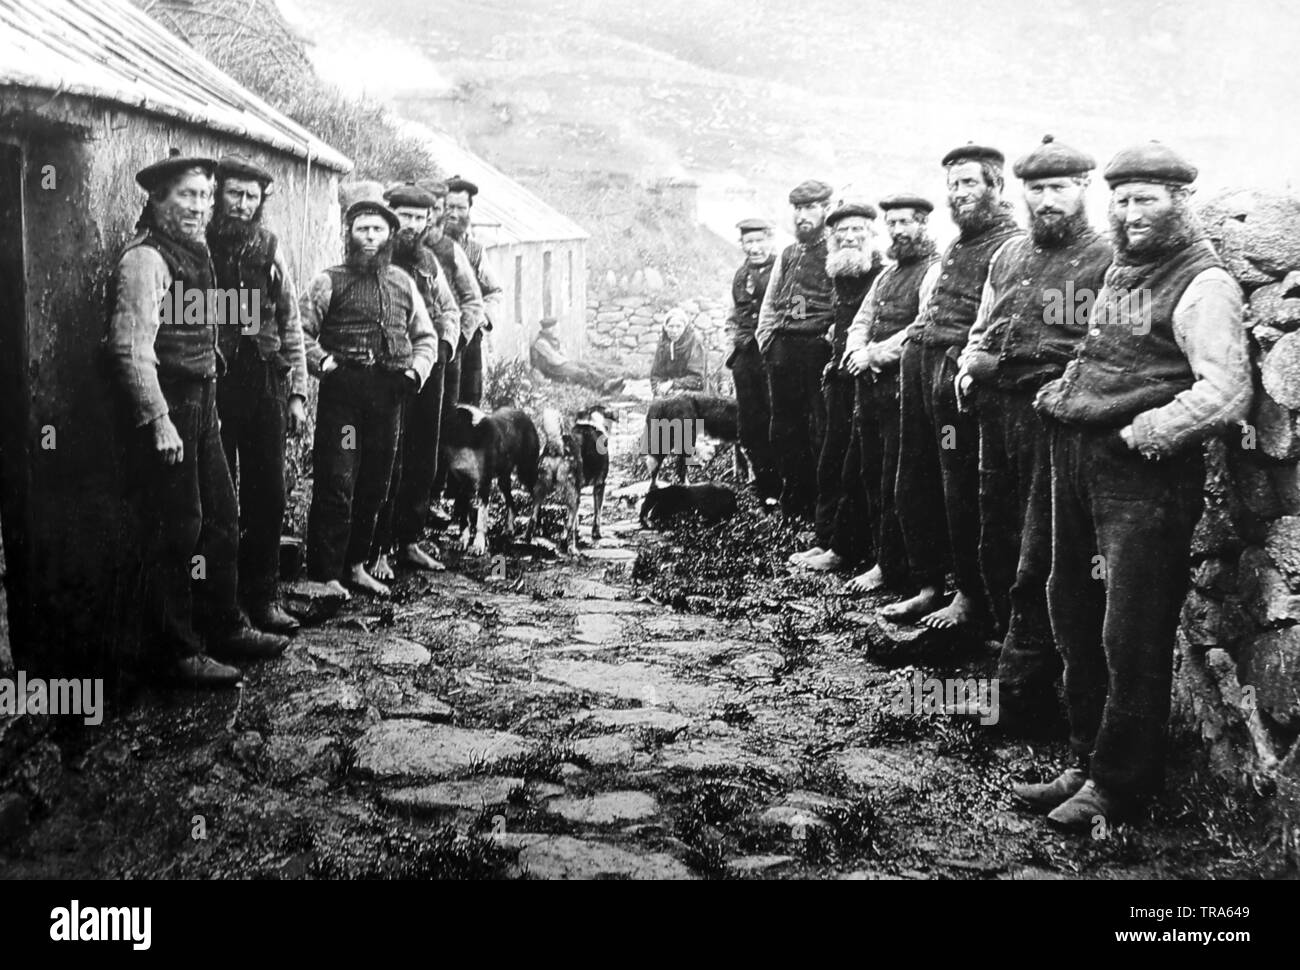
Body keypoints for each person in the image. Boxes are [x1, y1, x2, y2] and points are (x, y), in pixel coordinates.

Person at [1021, 143, 1251, 830]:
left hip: (1142, 481)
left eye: (1145, 198)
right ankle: (1085, 757)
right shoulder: (1125, 270)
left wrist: (1145, 433)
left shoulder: (1203, 283)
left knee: (1132, 633)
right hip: (1080, 464)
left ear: (1180, 203)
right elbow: (1103, 354)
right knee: (1074, 609)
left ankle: (1120, 786)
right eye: (1120, 200)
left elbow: (1226, 390)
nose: (1129, 212)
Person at [103, 150, 291, 687]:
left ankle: (224, 624)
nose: (199, 207)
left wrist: (218, 361)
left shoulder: (196, 252)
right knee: (176, 528)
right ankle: (177, 649)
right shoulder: (145, 260)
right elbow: (129, 349)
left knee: (223, 517)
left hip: (202, 400)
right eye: (187, 195)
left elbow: (199, 324)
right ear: (157, 199)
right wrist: (159, 420)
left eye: (206, 196)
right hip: (171, 405)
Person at [953, 136, 1113, 731]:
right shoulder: (1011, 256)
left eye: (1059, 189)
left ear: (1084, 191)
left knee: (1041, 557)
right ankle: (1010, 666)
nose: (1047, 201)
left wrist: (1027, 374)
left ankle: (1026, 697)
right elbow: (982, 325)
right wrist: (973, 364)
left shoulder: (1107, 261)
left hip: (1056, 420)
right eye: (1037, 190)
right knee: (997, 536)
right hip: (999, 418)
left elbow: (1101, 349)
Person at [883, 145, 1022, 629]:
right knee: (914, 476)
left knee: (958, 485)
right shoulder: (959, 243)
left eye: (969, 184)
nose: (958, 194)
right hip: (920, 363)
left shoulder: (1010, 243)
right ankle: (927, 585)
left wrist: (962, 368)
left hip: (953, 375)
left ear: (995, 187)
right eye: (954, 185)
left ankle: (969, 595)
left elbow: (996, 321)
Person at [300, 200, 438, 598]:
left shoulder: (402, 282)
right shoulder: (330, 281)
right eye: (363, 229)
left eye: (378, 230)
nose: (371, 238)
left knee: (375, 483)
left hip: (387, 399)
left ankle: (356, 565)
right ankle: (325, 573)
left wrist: (416, 370)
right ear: (350, 234)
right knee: (339, 478)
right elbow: (301, 331)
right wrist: (324, 365)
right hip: (344, 400)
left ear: (389, 237)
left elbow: (425, 336)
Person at [208, 153, 307, 636]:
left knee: (268, 492)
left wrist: (298, 394)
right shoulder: (197, 246)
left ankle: (263, 597)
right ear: (217, 194)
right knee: (218, 498)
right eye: (234, 194)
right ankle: (220, 605)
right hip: (216, 384)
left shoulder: (270, 248)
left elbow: (290, 321)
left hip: (265, 380)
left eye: (252, 197)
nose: (243, 205)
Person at [837, 194, 939, 593]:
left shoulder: (933, 271)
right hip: (870, 392)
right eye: (892, 223)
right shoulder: (886, 274)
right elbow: (861, 320)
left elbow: (920, 326)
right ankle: (881, 559)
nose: (898, 230)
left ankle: (897, 568)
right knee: (871, 473)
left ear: (923, 226)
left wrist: (875, 355)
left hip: (904, 391)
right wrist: (855, 351)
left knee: (900, 481)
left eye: (905, 223)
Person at [370, 183, 462, 581]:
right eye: (403, 216)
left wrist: (443, 344)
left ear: (428, 222)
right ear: (391, 217)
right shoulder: (373, 258)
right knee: (387, 458)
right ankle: (377, 548)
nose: (410, 225)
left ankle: (408, 539)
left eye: (418, 218)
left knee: (423, 453)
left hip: (428, 370)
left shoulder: (428, 261)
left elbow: (451, 308)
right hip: (388, 371)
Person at [793, 201, 883, 570]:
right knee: (830, 460)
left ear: (871, 235)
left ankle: (846, 549)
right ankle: (826, 538)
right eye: (841, 232)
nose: (848, 237)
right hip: (839, 377)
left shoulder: (880, 272)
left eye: (857, 230)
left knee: (854, 465)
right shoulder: (839, 272)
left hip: (868, 379)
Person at [756, 179, 836, 520]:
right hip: (783, 350)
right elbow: (772, 300)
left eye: (811, 208)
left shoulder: (837, 248)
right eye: (798, 209)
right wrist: (767, 340)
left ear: (826, 209)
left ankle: (819, 509)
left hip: (818, 350)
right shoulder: (789, 253)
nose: (803, 215)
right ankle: (793, 503)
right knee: (784, 429)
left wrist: (830, 339)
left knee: (819, 429)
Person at [724, 218, 779, 501]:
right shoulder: (740, 274)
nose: (755, 248)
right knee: (750, 423)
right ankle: (763, 481)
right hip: (747, 354)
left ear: (769, 240)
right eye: (749, 242)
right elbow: (735, 313)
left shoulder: (782, 269)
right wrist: (734, 339)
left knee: (777, 417)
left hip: (773, 352)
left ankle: (782, 484)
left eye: (759, 241)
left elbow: (792, 310)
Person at [444, 176, 503, 406]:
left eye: (460, 207)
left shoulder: (476, 251)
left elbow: (494, 291)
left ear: (469, 210)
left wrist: (481, 318)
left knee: (469, 401)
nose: (454, 214)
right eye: (449, 207)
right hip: (440, 336)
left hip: (469, 341)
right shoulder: (427, 246)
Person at [530, 317, 625, 392]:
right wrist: (570, 363)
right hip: (551, 370)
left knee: (586, 365)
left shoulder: (553, 339)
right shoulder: (541, 342)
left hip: (559, 365)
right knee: (579, 372)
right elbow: (554, 360)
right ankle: (604, 387)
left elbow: (562, 355)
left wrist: (571, 362)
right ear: (549, 329)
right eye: (555, 328)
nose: (557, 330)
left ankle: (608, 382)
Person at [650, 307, 707, 396]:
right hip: (668, 392)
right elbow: (656, 375)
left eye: (678, 326)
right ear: (665, 328)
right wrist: (658, 389)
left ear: (685, 327)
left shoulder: (694, 343)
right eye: (671, 326)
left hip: (692, 393)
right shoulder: (663, 344)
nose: (674, 331)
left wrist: (673, 384)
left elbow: (698, 379)